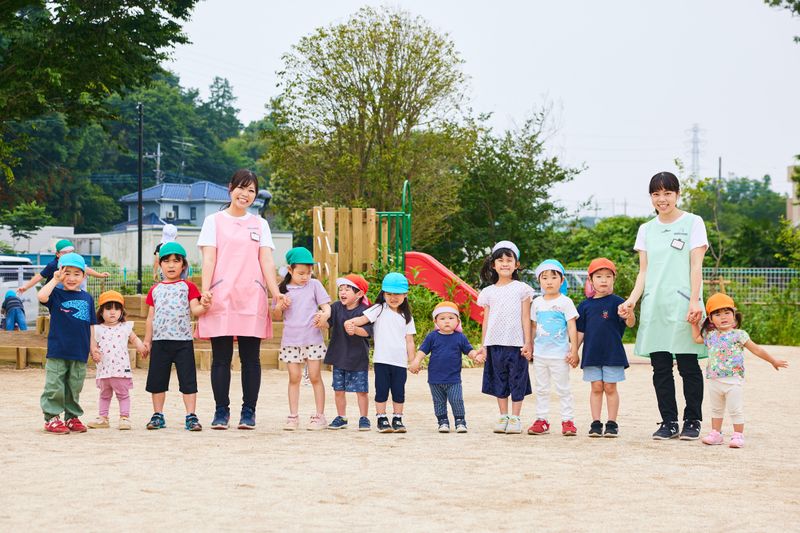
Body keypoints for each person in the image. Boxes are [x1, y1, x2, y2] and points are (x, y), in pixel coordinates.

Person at [618, 171, 709, 441]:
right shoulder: (646, 229)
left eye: (668, 193)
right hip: (655, 304)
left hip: (684, 303)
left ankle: (692, 420)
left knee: (688, 365)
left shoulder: (693, 222)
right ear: (651, 197)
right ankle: (668, 421)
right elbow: (644, 271)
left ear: (677, 194)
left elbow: (696, 265)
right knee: (660, 367)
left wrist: (695, 300)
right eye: (656, 194)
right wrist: (631, 300)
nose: (662, 199)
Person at [197, 169, 285, 430]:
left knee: (251, 358)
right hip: (220, 296)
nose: (245, 194)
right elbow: (209, 258)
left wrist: (276, 292)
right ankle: (221, 411)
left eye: (251, 191)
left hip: (251, 296)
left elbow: (266, 260)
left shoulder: (260, 224)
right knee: (221, 358)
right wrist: (205, 291)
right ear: (230, 188)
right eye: (241, 188)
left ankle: (249, 412)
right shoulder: (213, 221)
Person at [690, 293, 788, 448]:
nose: (723, 317)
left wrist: (773, 361)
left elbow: (756, 349)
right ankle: (716, 434)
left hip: (733, 380)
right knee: (716, 410)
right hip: (714, 380)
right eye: (717, 314)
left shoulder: (739, 335)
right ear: (710, 319)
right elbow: (696, 339)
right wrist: (694, 324)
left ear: (734, 315)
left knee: (735, 409)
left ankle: (738, 435)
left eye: (727, 312)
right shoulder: (710, 335)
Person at [143, 242, 209, 432]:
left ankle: (191, 416)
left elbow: (195, 309)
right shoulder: (155, 289)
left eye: (176, 261)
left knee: (188, 381)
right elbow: (150, 317)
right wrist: (147, 341)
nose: (171, 265)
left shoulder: (188, 287)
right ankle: (157, 415)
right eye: (166, 261)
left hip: (183, 343)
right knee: (157, 381)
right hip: (160, 342)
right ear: (160, 264)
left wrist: (205, 306)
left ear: (183, 265)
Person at [473, 240, 535, 435]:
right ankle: (503, 416)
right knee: (499, 380)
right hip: (495, 343)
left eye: (509, 260)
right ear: (493, 265)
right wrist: (484, 345)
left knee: (517, 379)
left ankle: (515, 418)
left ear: (517, 265)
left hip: (517, 344)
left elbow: (526, 317)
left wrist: (528, 342)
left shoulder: (522, 289)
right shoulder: (488, 292)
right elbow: (486, 320)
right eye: (500, 260)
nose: (505, 264)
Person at [344, 272, 416, 433]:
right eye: (389, 294)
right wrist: (350, 322)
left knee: (399, 391)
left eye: (397, 294)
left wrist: (412, 361)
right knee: (382, 390)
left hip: (399, 362)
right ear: (383, 294)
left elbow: (409, 341)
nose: (393, 298)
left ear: (405, 294)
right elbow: (362, 319)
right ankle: (381, 418)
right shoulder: (379, 309)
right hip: (382, 360)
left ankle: (397, 418)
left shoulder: (407, 317)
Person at [272, 247, 332, 431]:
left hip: (312, 338)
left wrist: (324, 315)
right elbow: (276, 316)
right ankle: (293, 416)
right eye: (301, 273)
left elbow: (326, 307)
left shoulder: (315, 285)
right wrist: (280, 306)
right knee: (294, 377)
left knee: (315, 376)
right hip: (291, 340)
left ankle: (320, 416)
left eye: (308, 272)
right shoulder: (282, 289)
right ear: (290, 270)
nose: (305, 276)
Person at [576, 258, 636, 438]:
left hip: (613, 353)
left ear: (613, 279)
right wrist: (573, 351)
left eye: (608, 276)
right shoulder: (585, 305)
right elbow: (580, 332)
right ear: (590, 280)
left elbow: (631, 324)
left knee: (610, 387)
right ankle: (596, 423)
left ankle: (612, 423)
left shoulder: (619, 303)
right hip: (592, 354)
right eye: (599, 276)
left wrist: (630, 312)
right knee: (596, 387)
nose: (604, 280)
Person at [37, 253, 96, 434]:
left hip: (79, 351)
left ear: (84, 276)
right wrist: (55, 280)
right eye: (66, 273)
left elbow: (91, 324)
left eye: (76, 274)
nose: (71, 278)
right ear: (60, 273)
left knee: (74, 386)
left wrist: (93, 346)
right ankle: (52, 417)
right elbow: (41, 296)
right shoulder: (56, 294)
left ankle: (72, 417)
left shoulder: (87, 298)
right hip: (58, 350)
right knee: (55, 385)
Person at [527, 259, 580, 436]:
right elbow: (533, 326)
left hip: (560, 355)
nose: (549, 282)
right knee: (541, 389)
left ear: (562, 280)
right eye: (544, 278)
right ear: (539, 281)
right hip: (540, 355)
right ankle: (542, 420)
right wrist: (530, 346)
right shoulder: (536, 303)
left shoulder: (566, 302)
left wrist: (574, 350)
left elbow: (571, 326)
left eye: (553, 277)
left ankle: (568, 421)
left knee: (563, 389)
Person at [409, 301, 478, 433]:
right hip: (435, 379)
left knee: (456, 400)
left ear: (458, 321)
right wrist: (416, 361)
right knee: (439, 402)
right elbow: (423, 351)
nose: (447, 321)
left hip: (453, 379)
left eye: (451, 318)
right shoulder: (432, 337)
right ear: (435, 321)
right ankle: (443, 422)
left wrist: (476, 356)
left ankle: (460, 421)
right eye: (442, 318)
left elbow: (469, 350)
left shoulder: (460, 337)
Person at [87, 290, 148, 430]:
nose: (112, 312)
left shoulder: (125, 327)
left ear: (122, 311)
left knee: (123, 395)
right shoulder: (97, 328)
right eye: (108, 308)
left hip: (121, 369)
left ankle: (124, 418)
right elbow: (93, 344)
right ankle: (103, 418)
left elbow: (134, 338)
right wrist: (94, 352)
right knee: (104, 395)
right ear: (101, 312)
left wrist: (141, 347)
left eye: (117, 308)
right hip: (104, 370)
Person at [322, 274, 373, 431]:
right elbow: (327, 323)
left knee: (361, 391)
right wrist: (320, 319)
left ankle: (364, 418)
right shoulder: (336, 307)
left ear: (359, 294)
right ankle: (341, 417)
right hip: (339, 355)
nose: (342, 292)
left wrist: (355, 329)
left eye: (347, 289)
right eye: (341, 289)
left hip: (358, 357)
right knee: (338, 390)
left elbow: (368, 332)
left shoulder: (366, 311)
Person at [18, 239, 109, 294]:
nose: (68, 255)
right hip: (55, 292)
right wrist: (26, 287)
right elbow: (39, 276)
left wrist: (100, 275)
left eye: (70, 252)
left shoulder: (74, 261)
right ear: (57, 254)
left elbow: (86, 269)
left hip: (69, 290)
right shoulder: (53, 265)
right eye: (64, 253)